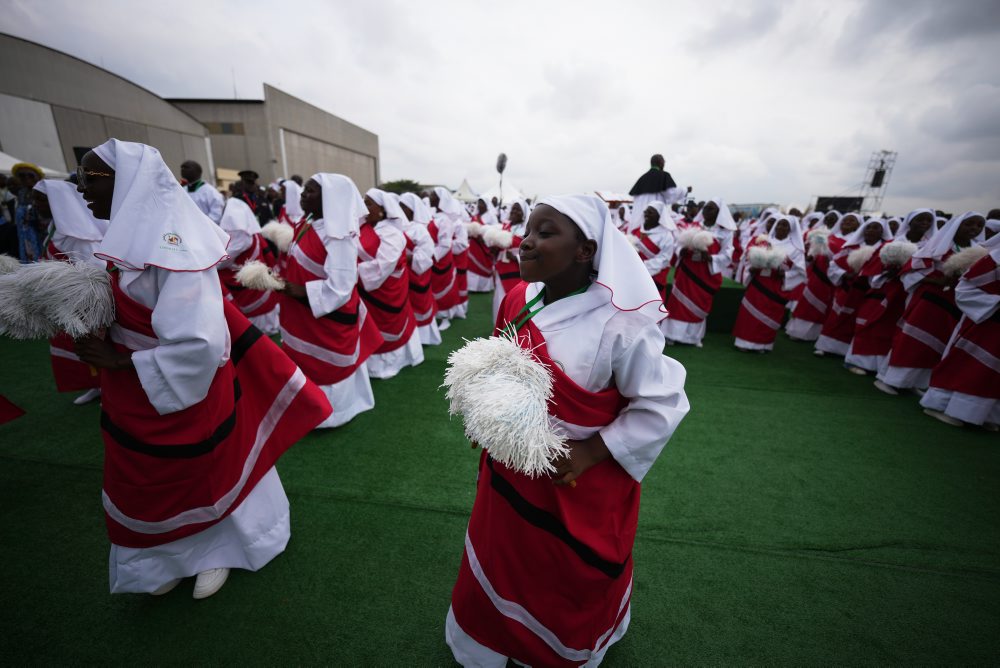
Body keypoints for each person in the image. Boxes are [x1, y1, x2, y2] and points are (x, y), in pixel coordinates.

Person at [73, 139, 331, 598]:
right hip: (135, 387)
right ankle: (165, 557)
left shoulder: (175, 249)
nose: (80, 187)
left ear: (128, 182)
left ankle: (219, 549)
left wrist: (120, 360)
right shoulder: (127, 234)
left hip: (180, 383)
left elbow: (201, 343)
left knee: (206, 468)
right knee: (148, 476)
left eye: (90, 177)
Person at [446, 194, 690, 668]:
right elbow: (497, 366)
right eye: (528, 230)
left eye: (545, 232)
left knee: (562, 572)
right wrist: (485, 413)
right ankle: (486, 642)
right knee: (501, 555)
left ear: (585, 251)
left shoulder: (623, 322)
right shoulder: (517, 297)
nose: (526, 241)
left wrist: (590, 452)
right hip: (508, 469)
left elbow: (663, 402)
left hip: (575, 483)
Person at [277, 173, 384, 427]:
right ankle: (307, 406)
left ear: (330, 198)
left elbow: (341, 285)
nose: (303, 194)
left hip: (326, 314)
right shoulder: (309, 223)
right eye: (304, 189)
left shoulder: (339, 235)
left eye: (311, 191)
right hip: (303, 312)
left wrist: (301, 291)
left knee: (326, 366)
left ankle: (331, 414)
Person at [874, 212, 986, 394]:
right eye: (969, 224)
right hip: (928, 300)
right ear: (957, 225)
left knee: (935, 345)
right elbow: (909, 271)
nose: (974, 228)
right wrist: (936, 280)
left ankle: (914, 382)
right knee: (911, 339)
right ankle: (889, 379)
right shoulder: (937, 246)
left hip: (954, 305)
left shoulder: (979, 252)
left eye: (979, 225)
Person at [33, 178, 109, 404]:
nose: (36, 204)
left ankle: (108, 388)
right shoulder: (56, 226)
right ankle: (96, 385)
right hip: (64, 301)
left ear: (56, 201)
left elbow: (98, 269)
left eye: (41, 200)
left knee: (95, 345)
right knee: (75, 346)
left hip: (82, 302)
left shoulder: (78, 233)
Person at [919, 230, 1000, 429]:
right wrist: (996, 303)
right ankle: (943, 406)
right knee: (968, 367)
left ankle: (986, 415)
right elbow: (965, 289)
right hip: (984, 325)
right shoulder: (994, 260)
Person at [843, 210, 933, 374]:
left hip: (907, 293)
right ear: (910, 222)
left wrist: (907, 274)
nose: (924, 223)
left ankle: (881, 366)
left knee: (892, 328)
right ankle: (857, 361)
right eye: (920, 219)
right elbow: (872, 266)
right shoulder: (892, 243)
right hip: (883, 289)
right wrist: (887, 271)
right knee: (872, 323)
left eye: (928, 220)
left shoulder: (931, 247)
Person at [358, 189, 424, 378]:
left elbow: (383, 266)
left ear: (382, 209)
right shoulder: (365, 227)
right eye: (363, 201)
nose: (364, 206)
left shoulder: (391, 233)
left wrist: (351, 273)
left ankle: (387, 364)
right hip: (366, 291)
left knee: (387, 325)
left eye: (369, 203)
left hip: (384, 290)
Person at [662, 197, 736, 346]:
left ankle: (692, 337)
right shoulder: (694, 225)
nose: (706, 211)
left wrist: (710, 258)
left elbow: (728, 254)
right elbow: (678, 245)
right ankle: (672, 335)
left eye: (711, 208)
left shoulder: (725, 232)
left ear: (719, 212)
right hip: (687, 271)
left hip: (706, 274)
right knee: (678, 303)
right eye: (706, 208)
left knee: (699, 303)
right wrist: (681, 251)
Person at [732, 215, 806, 352]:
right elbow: (748, 261)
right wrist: (752, 268)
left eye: (785, 225)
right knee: (749, 313)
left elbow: (800, 272)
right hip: (758, 283)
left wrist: (784, 274)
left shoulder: (795, 248)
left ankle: (763, 345)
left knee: (770, 314)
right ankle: (743, 342)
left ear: (791, 229)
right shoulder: (763, 242)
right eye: (779, 224)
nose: (781, 227)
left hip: (776, 286)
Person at [216, 195, 281, 334]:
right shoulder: (248, 233)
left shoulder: (241, 238)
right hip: (251, 288)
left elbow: (221, 261)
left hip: (250, 292)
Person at [813, 214, 876, 357]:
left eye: (876, 228)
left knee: (855, 319)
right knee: (836, 315)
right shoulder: (851, 247)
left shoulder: (882, 250)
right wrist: (844, 274)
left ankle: (847, 351)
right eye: (869, 228)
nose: (871, 231)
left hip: (866, 292)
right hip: (846, 289)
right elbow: (834, 264)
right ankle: (825, 346)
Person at [399, 192, 441, 345]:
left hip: (416, 272)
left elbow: (426, 253)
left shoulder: (419, 229)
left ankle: (424, 337)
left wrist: (404, 257)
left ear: (411, 210)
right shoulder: (397, 226)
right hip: (402, 273)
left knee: (419, 304)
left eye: (403, 206)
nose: (400, 209)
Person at [491, 199, 528, 323]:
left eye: (518, 209)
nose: (514, 212)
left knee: (515, 300)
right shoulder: (505, 226)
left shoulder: (526, 230)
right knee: (499, 298)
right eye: (513, 209)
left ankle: (513, 328)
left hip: (517, 272)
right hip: (501, 268)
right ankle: (499, 327)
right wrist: (495, 249)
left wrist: (515, 257)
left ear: (524, 213)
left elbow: (530, 252)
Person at [429, 187, 462, 326]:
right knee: (433, 287)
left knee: (444, 287)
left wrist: (431, 255)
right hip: (432, 258)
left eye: (433, 195)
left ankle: (446, 317)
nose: (429, 197)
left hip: (440, 260)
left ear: (440, 200)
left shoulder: (445, 220)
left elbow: (445, 244)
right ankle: (437, 313)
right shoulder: (432, 216)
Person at [626, 154, 685, 233]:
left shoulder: (642, 178)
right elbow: (671, 194)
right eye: (664, 162)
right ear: (660, 163)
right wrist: (685, 190)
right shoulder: (663, 176)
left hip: (637, 222)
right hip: (655, 221)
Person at [632, 202, 676, 296]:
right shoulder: (637, 230)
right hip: (633, 273)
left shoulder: (666, 235)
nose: (646, 214)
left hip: (654, 276)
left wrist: (641, 267)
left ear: (659, 216)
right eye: (646, 211)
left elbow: (664, 259)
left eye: (650, 212)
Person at [12, 162, 46, 262]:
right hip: (24, 235)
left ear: (38, 177)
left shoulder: (44, 192)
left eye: (30, 175)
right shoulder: (21, 193)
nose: (26, 178)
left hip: (42, 234)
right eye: (21, 175)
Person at [466, 197, 499, 292]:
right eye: (479, 203)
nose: (480, 205)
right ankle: (472, 287)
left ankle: (484, 287)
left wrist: (484, 237)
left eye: (482, 203)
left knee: (485, 263)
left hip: (485, 245)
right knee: (472, 265)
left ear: (486, 205)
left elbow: (495, 230)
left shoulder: (491, 216)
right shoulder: (475, 215)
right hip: (474, 245)